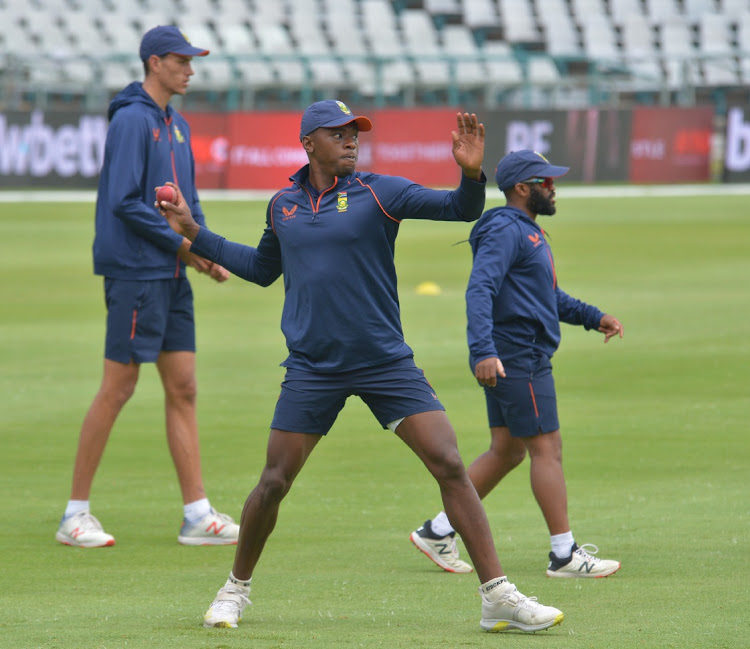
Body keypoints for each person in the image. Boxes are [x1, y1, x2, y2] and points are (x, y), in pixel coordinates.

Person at [158, 101, 564, 633]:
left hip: (383, 361)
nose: (352, 140)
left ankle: (497, 596)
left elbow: (459, 210)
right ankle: (234, 590)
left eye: (356, 133)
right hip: (313, 367)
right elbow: (261, 270)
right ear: (309, 143)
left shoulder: (381, 191)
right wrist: (192, 230)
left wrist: (470, 176)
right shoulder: (282, 205)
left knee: (448, 462)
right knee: (274, 481)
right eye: (339, 134)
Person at [55, 26, 239, 548]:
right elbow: (125, 201)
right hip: (137, 272)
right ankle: (74, 516)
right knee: (119, 387)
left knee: (184, 387)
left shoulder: (176, 125)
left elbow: (188, 203)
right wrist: (184, 249)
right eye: (182, 61)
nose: (190, 69)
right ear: (154, 62)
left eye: (192, 61)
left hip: (172, 272)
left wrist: (205, 251)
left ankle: (197, 515)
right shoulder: (133, 120)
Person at [410, 149, 623, 578]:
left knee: (507, 450)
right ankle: (564, 554)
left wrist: (592, 316)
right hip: (516, 356)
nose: (553, 187)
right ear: (522, 189)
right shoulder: (508, 231)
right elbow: (480, 289)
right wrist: (483, 351)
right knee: (547, 448)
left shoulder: (526, 231)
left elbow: (547, 297)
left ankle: (438, 530)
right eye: (545, 181)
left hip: (513, 354)